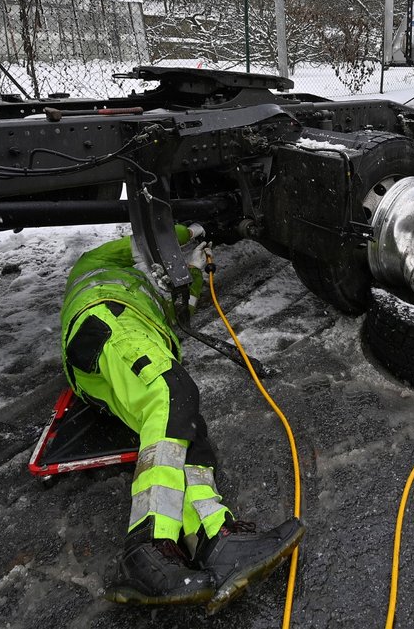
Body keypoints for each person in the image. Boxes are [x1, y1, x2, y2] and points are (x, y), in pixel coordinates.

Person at [60, 224, 305, 612]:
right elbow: (152, 237)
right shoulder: (100, 265)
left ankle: (214, 537)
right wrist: (190, 230)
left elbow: (183, 307)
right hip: (107, 319)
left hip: (112, 351)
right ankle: (146, 548)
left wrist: (190, 272)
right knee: (173, 394)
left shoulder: (156, 291)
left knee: (186, 431)